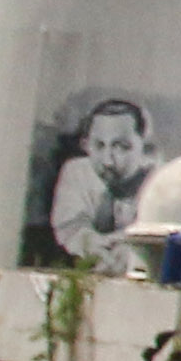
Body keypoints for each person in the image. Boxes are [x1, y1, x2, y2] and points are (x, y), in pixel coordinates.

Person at [44, 96, 156, 268]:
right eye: (99, 146)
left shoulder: (160, 181)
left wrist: (132, 251)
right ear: (85, 145)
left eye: (122, 147)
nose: (107, 161)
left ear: (144, 147)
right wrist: (90, 243)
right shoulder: (76, 172)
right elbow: (70, 226)